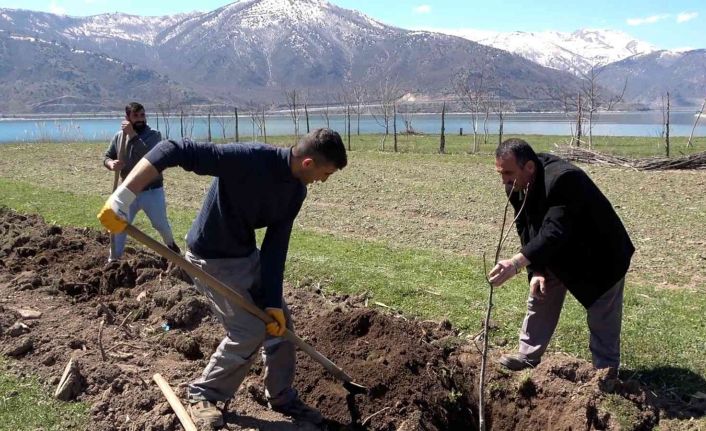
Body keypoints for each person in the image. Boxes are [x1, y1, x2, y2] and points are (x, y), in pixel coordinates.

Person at [97, 128, 347, 428]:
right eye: (326, 173)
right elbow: (172, 149)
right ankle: (202, 393)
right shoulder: (248, 160)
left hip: (245, 256)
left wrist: (273, 303)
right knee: (249, 331)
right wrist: (122, 196)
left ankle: (281, 396)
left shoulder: (295, 191)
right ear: (308, 163)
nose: (324, 180)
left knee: (281, 326)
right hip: (210, 260)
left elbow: (275, 248)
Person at [488, 138, 634, 372]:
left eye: (508, 172)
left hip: (600, 253)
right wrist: (535, 269)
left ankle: (605, 372)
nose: (504, 180)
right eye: (500, 173)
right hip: (557, 250)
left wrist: (515, 263)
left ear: (530, 167)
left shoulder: (564, 179)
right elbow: (525, 228)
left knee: (602, 315)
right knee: (540, 294)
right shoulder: (516, 185)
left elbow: (555, 230)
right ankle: (527, 356)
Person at [103, 102, 180, 262]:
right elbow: (107, 156)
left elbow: (150, 156)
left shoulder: (154, 135)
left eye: (142, 115)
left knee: (160, 224)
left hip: (151, 189)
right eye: (136, 116)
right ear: (127, 118)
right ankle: (114, 260)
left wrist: (132, 136)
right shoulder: (119, 136)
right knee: (119, 225)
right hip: (127, 190)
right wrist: (111, 164)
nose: (140, 119)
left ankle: (172, 248)